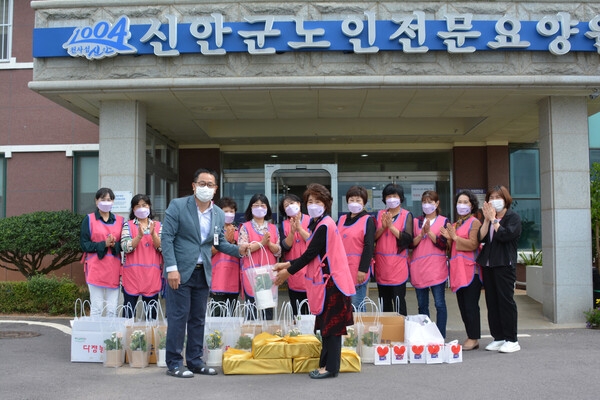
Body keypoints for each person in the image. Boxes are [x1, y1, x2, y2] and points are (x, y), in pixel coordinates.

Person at [161, 168, 248, 378]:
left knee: (198, 319)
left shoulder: (218, 213)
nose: (206, 188)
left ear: (216, 189)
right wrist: (171, 268)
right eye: (202, 184)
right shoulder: (178, 206)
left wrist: (240, 250)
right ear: (194, 185)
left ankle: (194, 361)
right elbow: (167, 238)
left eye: (210, 185)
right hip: (180, 272)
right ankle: (174, 363)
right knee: (178, 317)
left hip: (203, 272)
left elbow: (218, 243)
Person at [273, 183, 355, 379]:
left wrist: (288, 272)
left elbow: (309, 254)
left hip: (333, 283)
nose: (313, 205)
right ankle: (325, 364)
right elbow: (314, 253)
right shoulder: (319, 224)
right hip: (328, 282)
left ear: (326, 204)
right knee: (326, 326)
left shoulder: (325, 225)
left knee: (332, 327)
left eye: (318, 201)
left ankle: (331, 368)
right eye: (310, 201)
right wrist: (286, 264)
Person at [477, 185, 522, 353]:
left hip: (504, 265)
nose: (494, 201)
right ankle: (499, 337)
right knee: (492, 302)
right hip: (489, 265)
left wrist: (494, 220)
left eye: (498, 197)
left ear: (506, 199)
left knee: (505, 302)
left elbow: (504, 236)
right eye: (492, 197)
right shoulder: (489, 218)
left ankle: (512, 339)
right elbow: (480, 238)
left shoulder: (513, 217)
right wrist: (487, 220)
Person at [440, 190, 482, 350]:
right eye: (459, 202)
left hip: (471, 271)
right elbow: (453, 248)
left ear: (472, 205)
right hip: (458, 271)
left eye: (465, 202)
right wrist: (450, 239)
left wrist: (455, 238)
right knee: (463, 306)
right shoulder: (456, 224)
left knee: (471, 306)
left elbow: (472, 244)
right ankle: (470, 335)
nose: (462, 205)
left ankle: (474, 337)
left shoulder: (475, 222)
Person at [410, 190, 449, 338]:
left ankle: (440, 335)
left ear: (437, 203)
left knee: (439, 303)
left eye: (430, 202)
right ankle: (426, 335)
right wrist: (421, 234)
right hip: (419, 269)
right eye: (424, 202)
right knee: (422, 305)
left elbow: (443, 244)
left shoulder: (444, 221)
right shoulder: (416, 222)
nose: (427, 205)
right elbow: (411, 244)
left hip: (436, 269)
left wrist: (430, 233)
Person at [80, 188, 123, 317]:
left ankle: (112, 337)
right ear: (96, 201)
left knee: (112, 308)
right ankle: (96, 336)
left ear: (113, 201)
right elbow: (84, 244)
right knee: (97, 307)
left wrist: (114, 244)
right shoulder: (88, 219)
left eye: (109, 200)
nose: (106, 202)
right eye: (102, 199)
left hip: (113, 268)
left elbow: (124, 245)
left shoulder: (120, 221)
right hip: (95, 267)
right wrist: (103, 244)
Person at [238, 194, 281, 320]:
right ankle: (251, 338)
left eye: (262, 205)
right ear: (250, 208)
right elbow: (243, 250)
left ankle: (267, 338)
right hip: (252, 274)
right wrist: (262, 243)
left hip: (268, 274)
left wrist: (269, 244)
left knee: (267, 311)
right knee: (251, 310)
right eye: (256, 205)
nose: (259, 208)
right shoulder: (245, 227)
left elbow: (278, 252)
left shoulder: (273, 228)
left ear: (267, 208)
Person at [120, 194, 163, 320]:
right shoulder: (127, 225)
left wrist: (153, 234)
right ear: (133, 210)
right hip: (132, 275)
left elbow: (163, 248)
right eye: (137, 206)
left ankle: (150, 340)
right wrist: (138, 236)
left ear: (149, 207)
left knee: (151, 316)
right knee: (128, 314)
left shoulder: (158, 225)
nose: (141, 208)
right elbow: (125, 246)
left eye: (144, 205)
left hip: (151, 276)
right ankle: (127, 339)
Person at [374, 183, 413, 315]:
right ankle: (387, 332)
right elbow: (373, 237)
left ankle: (401, 332)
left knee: (398, 301)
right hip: (382, 265)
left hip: (398, 266)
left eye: (394, 196)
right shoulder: (380, 214)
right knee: (384, 302)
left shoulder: (406, 215)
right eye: (388, 196)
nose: (391, 199)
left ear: (401, 198)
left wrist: (391, 227)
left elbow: (407, 239)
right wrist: (383, 227)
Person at [337, 185, 375, 312]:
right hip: (342, 269)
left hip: (358, 270)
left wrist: (363, 269)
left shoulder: (367, 220)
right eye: (351, 199)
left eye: (358, 200)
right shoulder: (341, 219)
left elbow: (369, 246)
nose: (354, 203)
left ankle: (359, 332)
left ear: (364, 203)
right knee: (343, 307)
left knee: (356, 305)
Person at [278, 194, 310, 316]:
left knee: (313, 314)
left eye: (292, 203)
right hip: (294, 271)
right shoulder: (284, 224)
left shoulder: (311, 220)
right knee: (297, 314)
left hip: (311, 270)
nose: (290, 206)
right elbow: (285, 247)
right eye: (286, 205)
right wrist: (292, 232)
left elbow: (314, 242)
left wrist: (300, 229)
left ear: (299, 204)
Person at [210, 197, 241, 312]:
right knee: (217, 316)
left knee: (231, 317)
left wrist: (233, 242)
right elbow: (209, 251)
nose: (228, 214)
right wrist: (226, 241)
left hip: (233, 279)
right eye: (225, 211)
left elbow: (242, 253)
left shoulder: (239, 231)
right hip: (218, 279)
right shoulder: (214, 230)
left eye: (231, 211)